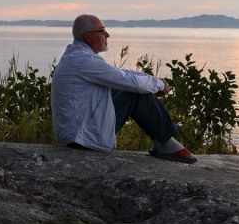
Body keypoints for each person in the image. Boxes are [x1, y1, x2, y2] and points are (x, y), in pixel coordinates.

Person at [51, 14, 197, 163]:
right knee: (136, 92)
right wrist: (159, 85)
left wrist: (154, 81)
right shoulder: (84, 60)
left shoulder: (77, 56)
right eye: (102, 31)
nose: (107, 35)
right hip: (83, 137)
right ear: (88, 37)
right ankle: (166, 142)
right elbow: (134, 83)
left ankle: (164, 142)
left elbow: (122, 74)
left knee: (129, 87)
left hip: (76, 133)